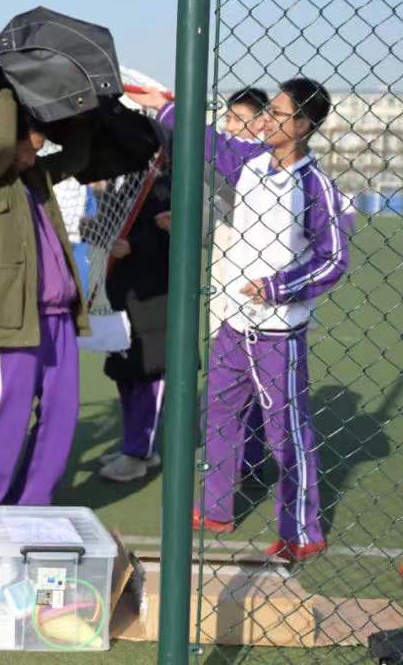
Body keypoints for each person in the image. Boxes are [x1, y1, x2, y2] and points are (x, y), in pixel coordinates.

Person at [132, 77, 349, 561]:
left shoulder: (315, 187)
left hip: (278, 333)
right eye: (268, 111)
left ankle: (302, 532)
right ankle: (215, 509)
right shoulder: (251, 163)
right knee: (219, 413)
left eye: (278, 113)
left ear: (304, 125)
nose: (266, 120)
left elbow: (334, 260)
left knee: (286, 432)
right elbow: (208, 141)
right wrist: (165, 108)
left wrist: (277, 287)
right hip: (234, 324)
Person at [0, 73, 92, 507]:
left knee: (62, 411)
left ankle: (34, 504)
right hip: (13, 316)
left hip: (58, 315)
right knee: (12, 407)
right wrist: (6, 81)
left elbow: (78, 155)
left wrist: (76, 108)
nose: (31, 159)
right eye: (28, 150)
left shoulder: (33, 176)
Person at [98, 170, 172, 482]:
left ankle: (139, 452)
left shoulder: (169, 179)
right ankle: (134, 444)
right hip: (123, 292)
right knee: (125, 372)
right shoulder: (125, 176)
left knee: (148, 373)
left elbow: (172, 232)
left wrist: (134, 245)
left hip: (154, 296)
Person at [219, 88, 272, 484]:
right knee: (231, 385)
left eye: (238, 119)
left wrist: (171, 113)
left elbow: (228, 155)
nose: (229, 127)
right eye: (228, 119)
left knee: (256, 384)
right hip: (228, 282)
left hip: (261, 291)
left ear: (261, 122)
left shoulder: (262, 159)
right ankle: (238, 464)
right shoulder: (233, 156)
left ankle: (249, 459)